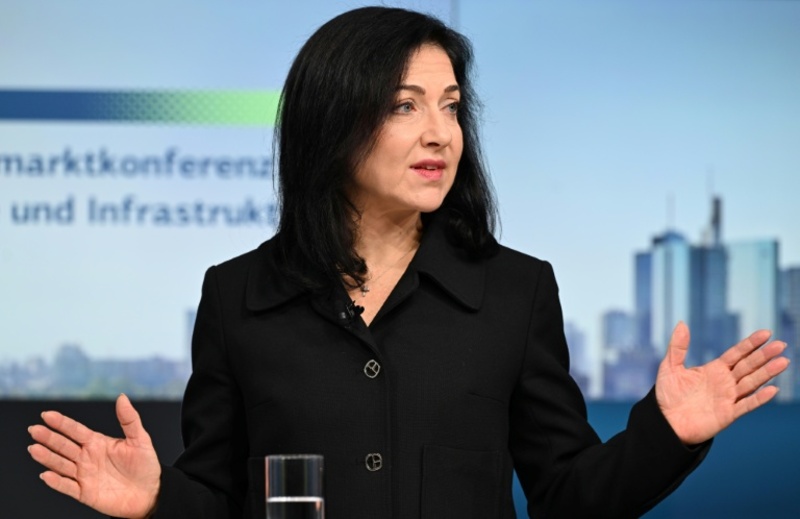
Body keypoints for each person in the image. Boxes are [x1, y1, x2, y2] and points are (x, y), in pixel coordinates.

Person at [27, 6, 789, 519]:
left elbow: (566, 494)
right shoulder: (238, 296)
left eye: (450, 105)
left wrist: (669, 432)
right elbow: (218, 498)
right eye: (405, 105)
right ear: (332, 122)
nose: (440, 132)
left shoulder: (516, 291)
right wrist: (159, 499)